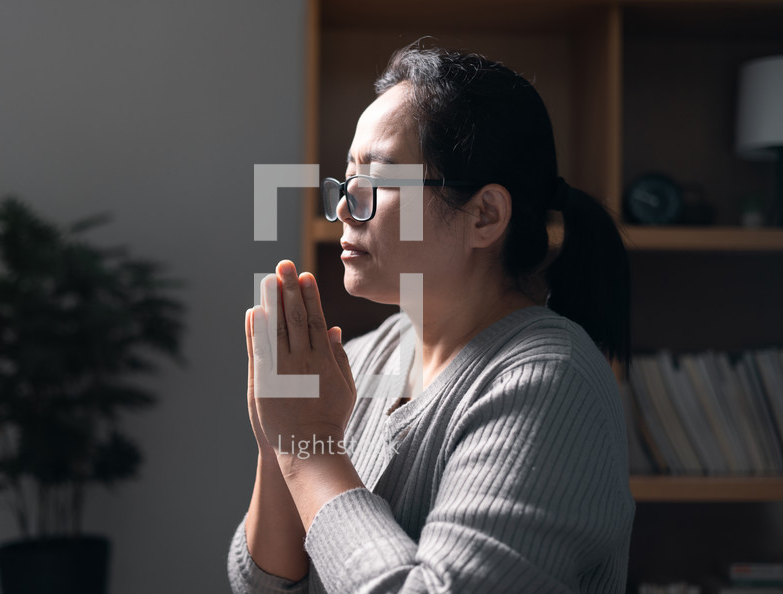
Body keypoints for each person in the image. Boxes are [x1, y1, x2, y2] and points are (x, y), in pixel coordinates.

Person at [227, 41, 635, 593]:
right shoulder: (364, 356)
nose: (346, 206)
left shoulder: (547, 382)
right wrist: (280, 438)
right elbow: (261, 585)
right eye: (347, 180)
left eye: (378, 179)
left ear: (484, 215)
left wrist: (309, 447)